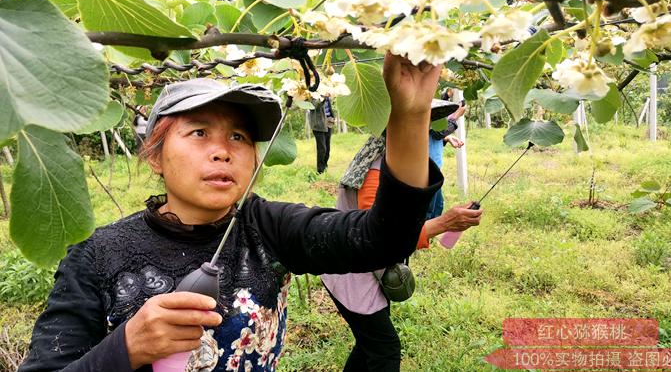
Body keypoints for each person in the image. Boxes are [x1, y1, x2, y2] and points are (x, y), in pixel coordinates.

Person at [18, 52, 443, 372]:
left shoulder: (268, 228)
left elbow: (381, 239)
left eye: (239, 136)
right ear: (155, 156)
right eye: (199, 132)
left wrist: (410, 114)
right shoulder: (97, 255)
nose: (223, 151)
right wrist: (125, 347)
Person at [321, 103, 483, 372]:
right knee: (385, 350)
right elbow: (375, 236)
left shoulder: (396, 159)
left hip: (368, 267)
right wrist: (444, 223)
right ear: (395, 125)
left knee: (369, 345)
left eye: (426, 122)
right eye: (418, 121)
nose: (425, 129)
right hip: (352, 271)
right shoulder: (377, 166)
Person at [426, 103, 466, 219]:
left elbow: (434, 133)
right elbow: (438, 132)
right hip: (426, 168)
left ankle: (428, 235)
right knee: (428, 210)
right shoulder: (425, 107)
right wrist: (456, 115)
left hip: (433, 167)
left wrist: (447, 138)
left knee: (438, 205)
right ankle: (423, 235)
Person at [310, 94, 335, 173]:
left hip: (328, 122)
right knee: (322, 149)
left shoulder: (326, 92)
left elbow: (328, 107)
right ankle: (320, 170)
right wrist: (323, 97)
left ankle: (325, 167)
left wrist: (332, 116)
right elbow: (315, 105)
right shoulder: (312, 94)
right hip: (318, 125)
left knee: (327, 148)